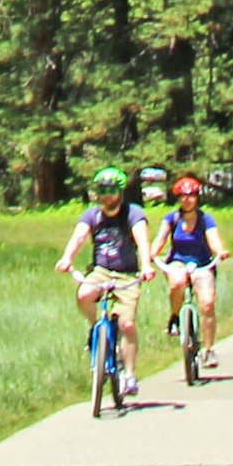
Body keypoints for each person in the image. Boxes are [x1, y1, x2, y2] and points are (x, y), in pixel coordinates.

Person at [56, 166, 153, 400]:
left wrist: (147, 265)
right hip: (101, 271)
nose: (106, 195)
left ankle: (129, 375)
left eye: (111, 190)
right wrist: (67, 258)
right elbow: (79, 236)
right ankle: (95, 328)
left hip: (127, 274)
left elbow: (142, 240)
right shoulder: (92, 215)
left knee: (127, 325)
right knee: (83, 294)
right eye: (102, 190)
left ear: (120, 192)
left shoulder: (133, 213)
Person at [158, 170, 228, 374]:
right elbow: (160, 239)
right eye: (183, 196)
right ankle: (174, 318)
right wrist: (150, 256)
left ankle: (208, 349)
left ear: (197, 197)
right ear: (178, 198)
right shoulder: (171, 218)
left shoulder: (206, 219)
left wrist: (220, 251)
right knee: (177, 283)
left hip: (202, 263)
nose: (187, 200)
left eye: (191, 196)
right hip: (178, 262)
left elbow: (213, 239)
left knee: (207, 304)